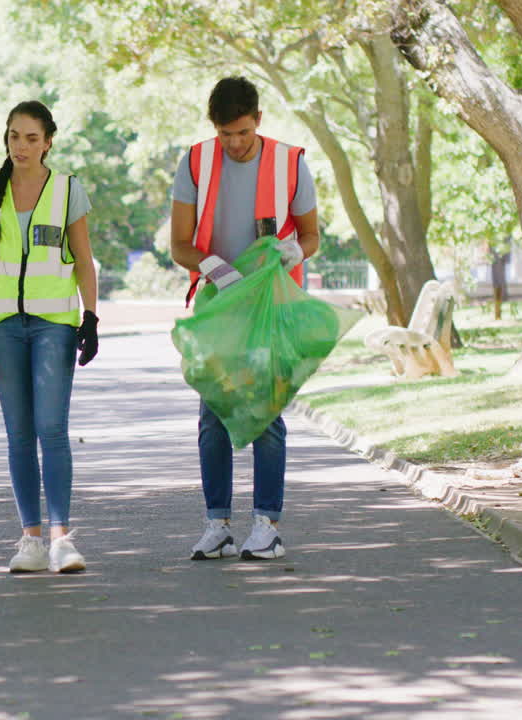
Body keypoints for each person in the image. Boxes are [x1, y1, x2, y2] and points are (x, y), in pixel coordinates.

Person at [169, 76, 320, 560]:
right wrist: (211, 266)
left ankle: (266, 525)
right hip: (219, 306)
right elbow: (179, 243)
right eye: (224, 134)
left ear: (258, 119)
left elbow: (313, 236)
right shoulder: (195, 161)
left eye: (241, 132)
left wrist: (295, 248)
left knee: (267, 414)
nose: (233, 144)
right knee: (213, 413)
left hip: (271, 306)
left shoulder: (290, 163)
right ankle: (217, 525)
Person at [0, 101, 100, 574]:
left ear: (49, 141)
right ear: (6, 139)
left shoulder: (66, 190)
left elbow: (83, 258)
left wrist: (92, 317)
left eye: (32, 138)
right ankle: (31, 541)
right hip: (3, 327)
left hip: (54, 324)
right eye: (14, 137)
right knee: (18, 435)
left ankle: (62, 540)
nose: (22, 146)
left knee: (51, 430)